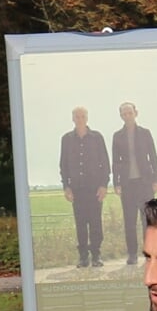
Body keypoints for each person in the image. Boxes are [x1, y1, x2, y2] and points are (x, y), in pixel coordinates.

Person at [60, 106, 111, 268]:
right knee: (80, 224)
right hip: (77, 189)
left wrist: (104, 185)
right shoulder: (66, 139)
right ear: (72, 118)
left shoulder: (97, 138)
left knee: (95, 223)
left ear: (87, 118)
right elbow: (64, 165)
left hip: (95, 189)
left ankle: (96, 255)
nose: (80, 119)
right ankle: (83, 257)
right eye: (77, 116)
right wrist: (66, 187)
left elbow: (105, 164)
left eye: (82, 116)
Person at [113, 102, 157, 267]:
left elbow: (153, 157)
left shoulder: (145, 133)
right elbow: (116, 162)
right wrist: (116, 183)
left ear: (136, 113)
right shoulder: (117, 136)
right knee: (129, 221)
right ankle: (132, 254)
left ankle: (149, 253)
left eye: (129, 112)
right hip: (127, 185)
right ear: (121, 116)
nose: (127, 116)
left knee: (148, 220)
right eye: (124, 113)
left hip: (145, 183)